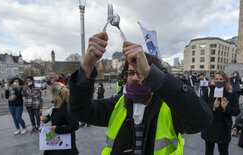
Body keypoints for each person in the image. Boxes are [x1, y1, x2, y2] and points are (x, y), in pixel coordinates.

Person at [68, 32, 213, 154]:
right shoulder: (117, 104)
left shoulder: (169, 107)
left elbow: (202, 119)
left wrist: (153, 75)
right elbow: (79, 111)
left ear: (153, 75)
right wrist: (87, 65)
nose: (135, 78)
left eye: (141, 73)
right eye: (131, 73)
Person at [201, 71, 240, 155]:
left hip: (224, 127)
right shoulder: (208, 91)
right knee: (208, 151)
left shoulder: (231, 93)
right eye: (217, 79)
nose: (219, 81)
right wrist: (213, 107)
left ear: (226, 81)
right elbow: (202, 107)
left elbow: (237, 111)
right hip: (210, 125)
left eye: (221, 79)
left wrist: (226, 108)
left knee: (223, 151)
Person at [41, 82, 79, 155]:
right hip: (56, 140)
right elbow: (57, 114)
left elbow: (75, 125)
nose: (51, 95)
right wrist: (47, 118)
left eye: (51, 93)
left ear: (56, 94)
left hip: (64, 143)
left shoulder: (67, 107)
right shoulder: (59, 103)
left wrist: (57, 129)